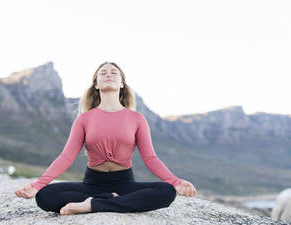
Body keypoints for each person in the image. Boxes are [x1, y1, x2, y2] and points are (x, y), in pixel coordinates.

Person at [14, 62, 196, 215]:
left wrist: (175, 181)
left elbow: (150, 158)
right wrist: (38, 185)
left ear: (122, 84)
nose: (108, 74)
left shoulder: (137, 119)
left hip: (124, 183)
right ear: (96, 85)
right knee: (44, 197)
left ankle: (92, 205)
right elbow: (66, 157)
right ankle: (111, 201)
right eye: (103, 73)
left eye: (113, 72)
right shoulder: (84, 119)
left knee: (166, 192)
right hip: (92, 183)